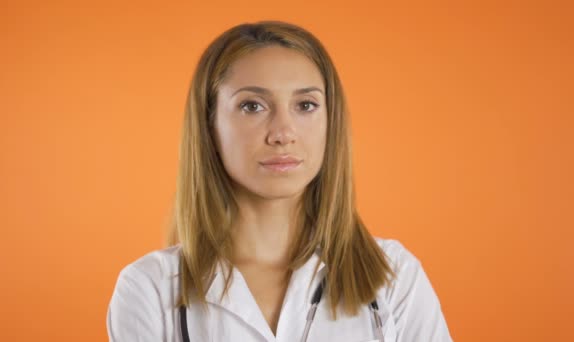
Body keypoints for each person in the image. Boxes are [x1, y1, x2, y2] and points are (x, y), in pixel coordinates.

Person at [106, 20, 453, 341]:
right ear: (209, 125)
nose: (284, 133)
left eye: (305, 105)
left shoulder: (393, 276)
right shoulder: (149, 288)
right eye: (252, 106)